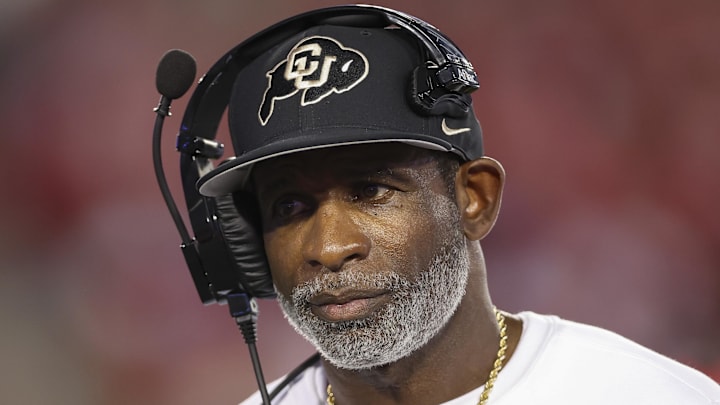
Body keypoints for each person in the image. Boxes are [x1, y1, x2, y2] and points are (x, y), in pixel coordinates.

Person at [189, 5, 720, 405]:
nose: (329, 247)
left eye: (371, 191)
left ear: (475, 198)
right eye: (289, 206)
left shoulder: (645, 394)